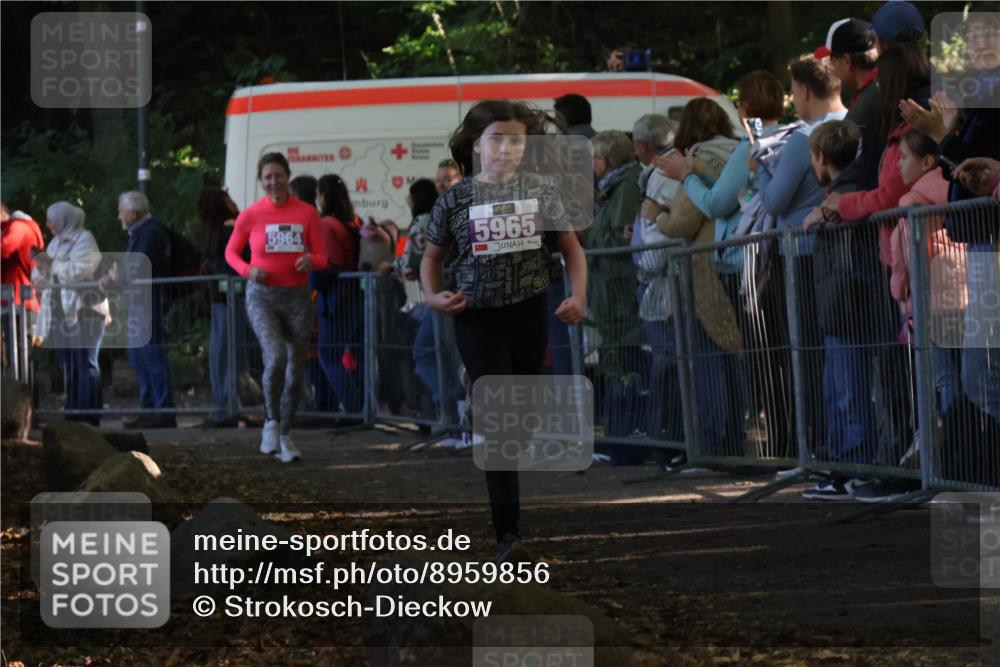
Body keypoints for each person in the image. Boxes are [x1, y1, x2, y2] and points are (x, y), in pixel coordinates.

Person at [421, 99, 588, 563]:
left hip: (530, 312)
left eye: (517, 140)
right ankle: (508, 533)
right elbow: (431, 261)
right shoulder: (454, 199)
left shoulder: (542, 191)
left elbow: (572, 251)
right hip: (477, 317)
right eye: (498, 139)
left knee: (522, 422)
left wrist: (578, 297)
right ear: (477, 145)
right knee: (499, 424)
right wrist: (434, 296)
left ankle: (473, 385)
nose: (508, 148)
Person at [660, 70, 790, 460]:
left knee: (747, 355)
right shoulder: (789, 137)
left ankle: (756, 442)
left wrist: (685, 181)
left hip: (735, 263)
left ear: (745, 106)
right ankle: (784, 441)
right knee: (772, 353)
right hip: (773, 255)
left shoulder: (742, 148)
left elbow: (712, 205)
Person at [900, 9, 1000, 424]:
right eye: (972, 35)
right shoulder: (977, 92)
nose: (978, 42)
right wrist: (948, 134)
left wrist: (945, 135)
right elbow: (966, 170)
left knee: (981, 373)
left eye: (989, 33)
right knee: (978, 374)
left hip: (989, 242)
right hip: (979, 240)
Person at [755, 55, 847, 459]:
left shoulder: (802, 139)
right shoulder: (854, 123)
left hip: (802, 257)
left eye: (793, 91)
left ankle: (818, 446)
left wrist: (759, 165)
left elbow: (774, 201)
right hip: (843, 252)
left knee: (808, 355)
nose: (792, 99)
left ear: (806, 91)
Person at [652, 98, 744, 457]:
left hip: (707, 270)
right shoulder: (737, 152)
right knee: (734, 352)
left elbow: (684, 221)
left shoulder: (697, 160)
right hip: (738, 261)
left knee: (708, 357)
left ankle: (712, 442)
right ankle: (734, 436)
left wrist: (656, 215)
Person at [225, 152, 327, 462]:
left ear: (288, 176)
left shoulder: (307, 213)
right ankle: (270, 420)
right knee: (276, 356)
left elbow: (323, 257)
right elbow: (231, 253)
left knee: (297, 368)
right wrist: (247, 271)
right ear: (261, 181)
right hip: (262, 296)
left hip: (296, 296)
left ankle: (285, 432)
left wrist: (311, 260)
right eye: (267, 177)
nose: (273, 182)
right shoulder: (251, 215)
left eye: (278, 175)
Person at [799, 120, 880, 499]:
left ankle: (854, 467)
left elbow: (850, 265)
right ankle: (844, 466)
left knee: (849, 391)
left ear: (821, 157)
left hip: (848, 308)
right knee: (839, 389)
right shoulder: (841, 196)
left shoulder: (843, 200)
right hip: (840, 308)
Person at [582, 130, 647, 453]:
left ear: (604, 161)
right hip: (611, 288)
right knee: (616, 356)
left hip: (619, 289)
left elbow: (621, 238)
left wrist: (585, 237)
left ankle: (627, 434)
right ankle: (620, 433)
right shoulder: (614, 188)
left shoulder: (625, 187)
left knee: (623, 358)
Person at [629, 115, 683, 444]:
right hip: (658, 279)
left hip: (661, 281)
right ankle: (665, 432)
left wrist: (646, 264)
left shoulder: (662, 176)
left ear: (643, 146)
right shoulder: (659, 173)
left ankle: (667, 435)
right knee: (665, 359)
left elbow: (658, 238)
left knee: (667, 361)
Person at [32, 202, 110, 427]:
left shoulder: (85, 240)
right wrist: (43, 269)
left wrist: (51, 264)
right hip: (63, 312)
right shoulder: (56, 242)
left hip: (85, 310)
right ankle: (74, 414)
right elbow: (44, 271)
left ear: (64, 220)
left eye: (51, 221)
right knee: (72, 364)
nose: (47, 225)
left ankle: (89, 415)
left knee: (86, 363)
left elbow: (79, 271)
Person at [108, 191, 177, 429]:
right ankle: (150, 409)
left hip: (149, 304)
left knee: (152, 357)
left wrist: (117, 275)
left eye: (121, 212)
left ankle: (162, 411)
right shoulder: (141, 234)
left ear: (133, 214)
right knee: (140, 359)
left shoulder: (150, 233)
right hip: (140, 304)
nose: (118, 217)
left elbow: (139, 268)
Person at [198, 187, 252, 426]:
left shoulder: (227, 230)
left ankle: (229, 407)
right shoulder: (232, 228)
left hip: (229, 298)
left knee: (225, 354)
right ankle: (228, 405)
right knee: (224, 354)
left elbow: (227, 264)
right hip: (226, 298)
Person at [312, 173, 364, 415]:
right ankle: (361, 406)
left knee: (329, 355)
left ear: (323, 196)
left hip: (336, 300)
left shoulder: (327, 225)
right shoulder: (353, 222)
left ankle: (352, 408)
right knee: (354, 355)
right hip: (355, 297)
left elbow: (329, 264)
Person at [814, 18, 879, 132]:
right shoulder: (890, 80)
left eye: (832, 60)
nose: (831, 68)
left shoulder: (864, 109)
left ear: (846, 61)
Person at [1, 202, 43, 372]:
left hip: (19, 303)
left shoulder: (19, 226)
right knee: (14, 358)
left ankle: (23, 397)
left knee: (20, 357)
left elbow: (4, 248)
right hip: (13, 301)